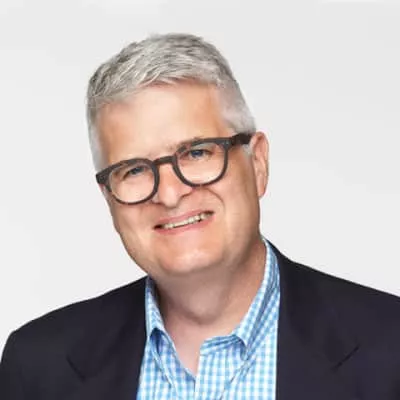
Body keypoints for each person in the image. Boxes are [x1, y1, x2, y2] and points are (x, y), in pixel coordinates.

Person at [1, 33, 399, 400]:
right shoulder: (38, 367)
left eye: (196, 153)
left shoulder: (390, 349)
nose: (170, 194)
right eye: (134, 170)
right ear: (108, 198)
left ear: (258, 163)